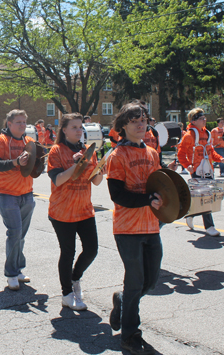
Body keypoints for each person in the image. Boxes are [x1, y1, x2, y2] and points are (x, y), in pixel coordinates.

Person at [106, 102, 164, 355]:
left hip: (151, 226)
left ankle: (121, 301)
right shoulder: (117, 155)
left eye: (143, 120)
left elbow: (159, 186)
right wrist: (147, 200)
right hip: (127, 228)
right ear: (123, 125)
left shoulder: (152, 153)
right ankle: (130, 335)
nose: (141, 125)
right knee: (135, 281)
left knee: (150, 283)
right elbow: (117, 195)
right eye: (134, 121)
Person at [47, 113, 103, 311]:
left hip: (84, 209)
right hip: (62, 211)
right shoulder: (56, 150)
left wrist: (100, 172)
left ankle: (75, 278)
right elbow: (58, 179)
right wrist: (76, 164)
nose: (79, 130)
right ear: (64, 130)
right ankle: (66, 293)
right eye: (74, 127)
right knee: (68, 252)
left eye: (81, 127)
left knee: (92, 250)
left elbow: (94, 181)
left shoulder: (88, 150)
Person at [0, 109, 36, 291]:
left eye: (24, 122)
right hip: (6, 193)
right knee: (15, 232)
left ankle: (17, 268)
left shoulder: (29, 142)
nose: (22, 125)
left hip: (27, 193)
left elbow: (34, 168)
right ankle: (11, 273)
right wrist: (15, 162)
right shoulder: (0, 141)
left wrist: (38, 162)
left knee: (21, 234)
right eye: (18, 122)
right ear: (9, 124)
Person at [178, 108, 224, 237]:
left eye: (204, 118)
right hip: (197, 171)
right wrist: (188, 167)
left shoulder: (208, 134)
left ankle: (190, 214)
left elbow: (211, 152)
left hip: (208, 169)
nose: (204, 120)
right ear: (193, 121)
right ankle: (209, 226)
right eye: (201, 118)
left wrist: (220, 159)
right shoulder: (188, 135)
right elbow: (180, 154)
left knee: (208, 197)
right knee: (206, 198)